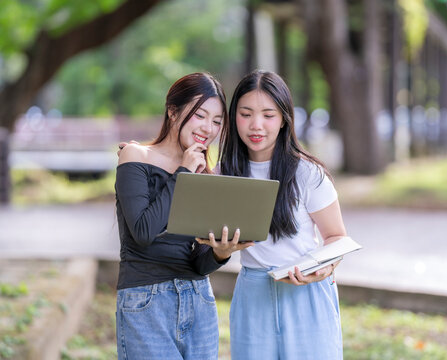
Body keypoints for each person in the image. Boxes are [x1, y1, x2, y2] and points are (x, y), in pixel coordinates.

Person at [115, 72, 252, 359]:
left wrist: (220, 253)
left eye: (216, 121)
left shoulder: (206, 173)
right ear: (173, 111)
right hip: (145, 300)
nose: (208, 128)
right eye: (200, 115)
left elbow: (198, 264)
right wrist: (183, 174)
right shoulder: (135, 156)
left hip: (198, 298)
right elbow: (143, 231)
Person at [211, 70, 347, 359]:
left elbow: (336, 236)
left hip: (306, 292)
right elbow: (208, 242)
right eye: (246, 114)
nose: (256, 125)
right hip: (253, 294)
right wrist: (221, 251)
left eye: (268, 115)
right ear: (234, 117)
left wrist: (323, 269)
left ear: (285, 118)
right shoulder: (223, 175)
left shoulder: (308, 173)